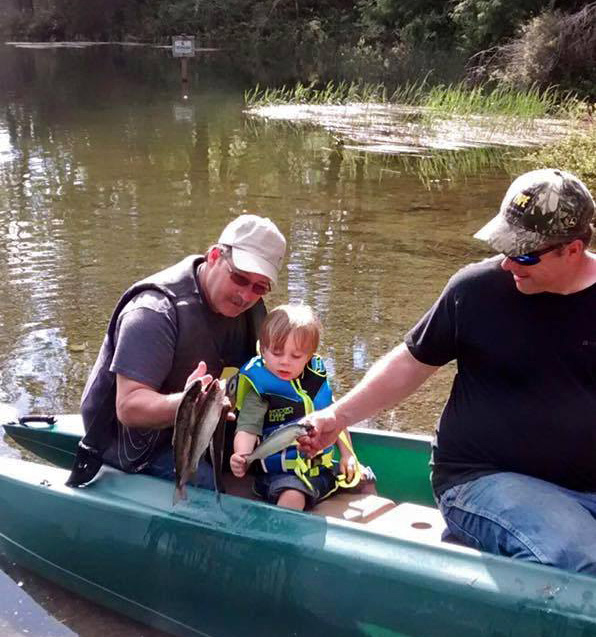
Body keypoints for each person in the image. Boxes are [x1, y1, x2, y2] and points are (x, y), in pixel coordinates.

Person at [300, 168, 596, 573]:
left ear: (573, 249)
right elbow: (409, 363)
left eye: (524, 254)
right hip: (481, 480)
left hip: (583, 490)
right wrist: (338, 415)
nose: (509, 264)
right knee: (575, 559)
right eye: (503, 246)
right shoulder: (475, 290)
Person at [69, 214, 286, 488]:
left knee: (283, 453)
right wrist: (190, 403)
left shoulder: (251, 309)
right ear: (215, 256)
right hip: (131, 444)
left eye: (259, 287)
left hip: (204, 426)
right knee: (203, 483)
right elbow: (128, 407)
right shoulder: (153, 312)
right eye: (239, 278)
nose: (246, 295)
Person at [230, 304, 373, 510]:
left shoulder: (315, 379)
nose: (285, 362)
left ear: (309, 356)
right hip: (282, 476)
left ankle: (364, 536)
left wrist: (348, 455)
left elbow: (336, 420)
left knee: (365, 478)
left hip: (321, 470)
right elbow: (247, 428)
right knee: (293, 496)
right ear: (263, 350)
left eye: (295, 356)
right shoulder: (260, 389)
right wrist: (242, 456)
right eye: (277, 353)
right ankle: (284, 538)